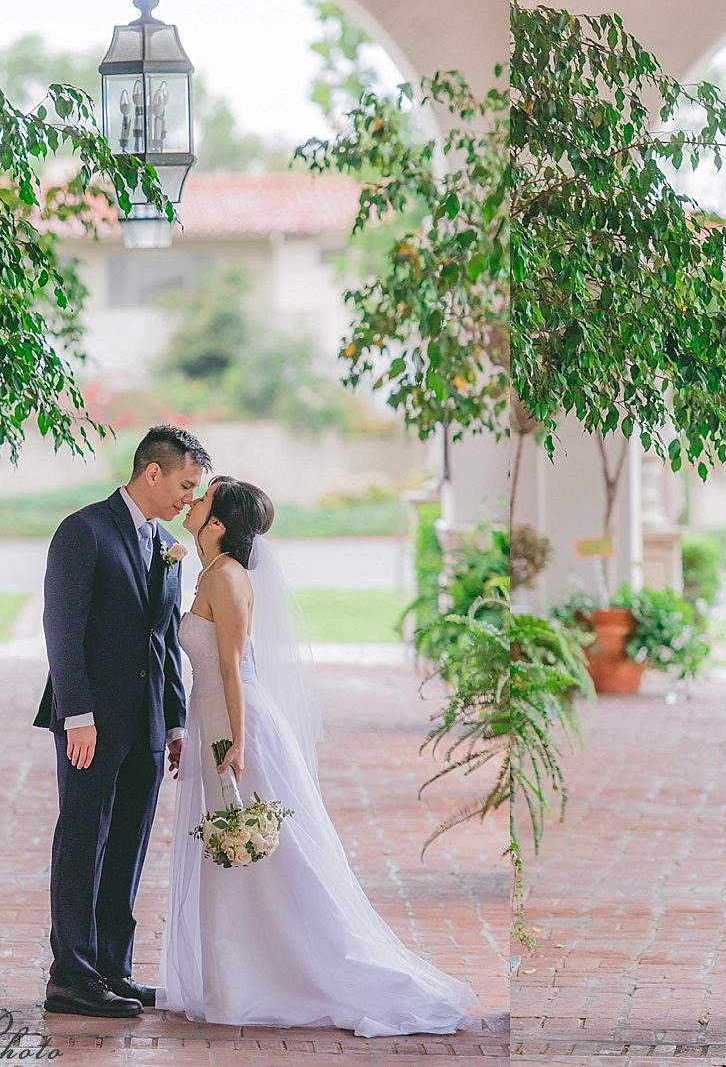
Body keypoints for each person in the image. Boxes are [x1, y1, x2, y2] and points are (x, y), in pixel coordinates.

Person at [158, 476, 479, 1036]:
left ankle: (281, 975)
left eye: (202, 499)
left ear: (217, 524)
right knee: (230, 848)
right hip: (211, 716)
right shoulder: (207, 572)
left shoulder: (228, 578)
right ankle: (234, 980)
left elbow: (233, 667)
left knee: (263, 846)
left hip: (238, 722)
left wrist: (235, 740)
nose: (191, 502)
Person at [35, 425, 210, 1018]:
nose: (190, 497)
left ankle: (113, 968)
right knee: (84, 838)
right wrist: (76, 715)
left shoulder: (164, 545)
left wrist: (178, 724)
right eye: (186, 484)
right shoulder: (82, 532)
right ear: (153, 473)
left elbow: (161, 642)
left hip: (149, 727)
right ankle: (72, 976)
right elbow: (62, 632)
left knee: (130, 844)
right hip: (91, 724)